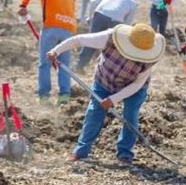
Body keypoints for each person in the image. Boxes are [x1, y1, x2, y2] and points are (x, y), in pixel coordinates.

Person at [48, 23, 165, 164]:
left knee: (130, 116)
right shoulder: (110, 38)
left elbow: (137, 84)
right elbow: (78, 40)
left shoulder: (150, 58)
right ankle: (81, 151)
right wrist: (56, 51)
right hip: (105, 80)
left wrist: (113, 99)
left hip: (133, 88)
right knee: (94, 112)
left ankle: (125, 153)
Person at [18, 0, 77, 105]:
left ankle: (44, 96)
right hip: (68, 31)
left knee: (45, 64)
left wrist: (23, 5)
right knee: (64, 65)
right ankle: (64, 96)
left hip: (51, 28)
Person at [76, 0, 138, 72]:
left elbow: (93, 2)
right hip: (116, 20)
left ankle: (80, 65)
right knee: (111, 46)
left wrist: (91, 18)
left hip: (99, 14)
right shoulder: (133, 3)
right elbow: (127, 23)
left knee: (91, 40)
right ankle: (105, 69)